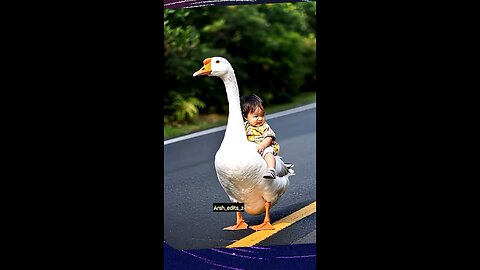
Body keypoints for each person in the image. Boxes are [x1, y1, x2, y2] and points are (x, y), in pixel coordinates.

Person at [241, 94, 280, 179]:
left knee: (268, 153)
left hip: (264, 145)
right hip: (252, 147)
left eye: (262, 115)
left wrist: (262, 145)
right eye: (256, 116)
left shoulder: (264, 126)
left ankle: (271, 170)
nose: (260, 119)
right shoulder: (244, 126)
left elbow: (269, 137)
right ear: (245, 117)